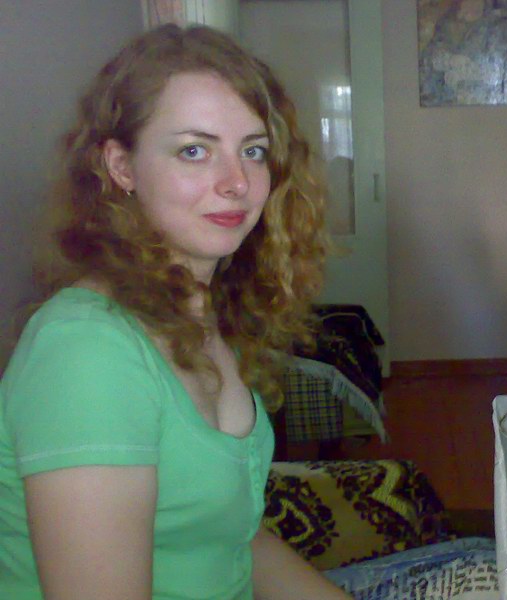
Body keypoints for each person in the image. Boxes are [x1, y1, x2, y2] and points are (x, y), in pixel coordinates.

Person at [0, 24, 351, 599]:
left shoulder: (201, 309)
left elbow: (232, 538)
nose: (237, 183)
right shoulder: (87, 354)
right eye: (194, 150)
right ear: (121, 166)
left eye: (253, 151)